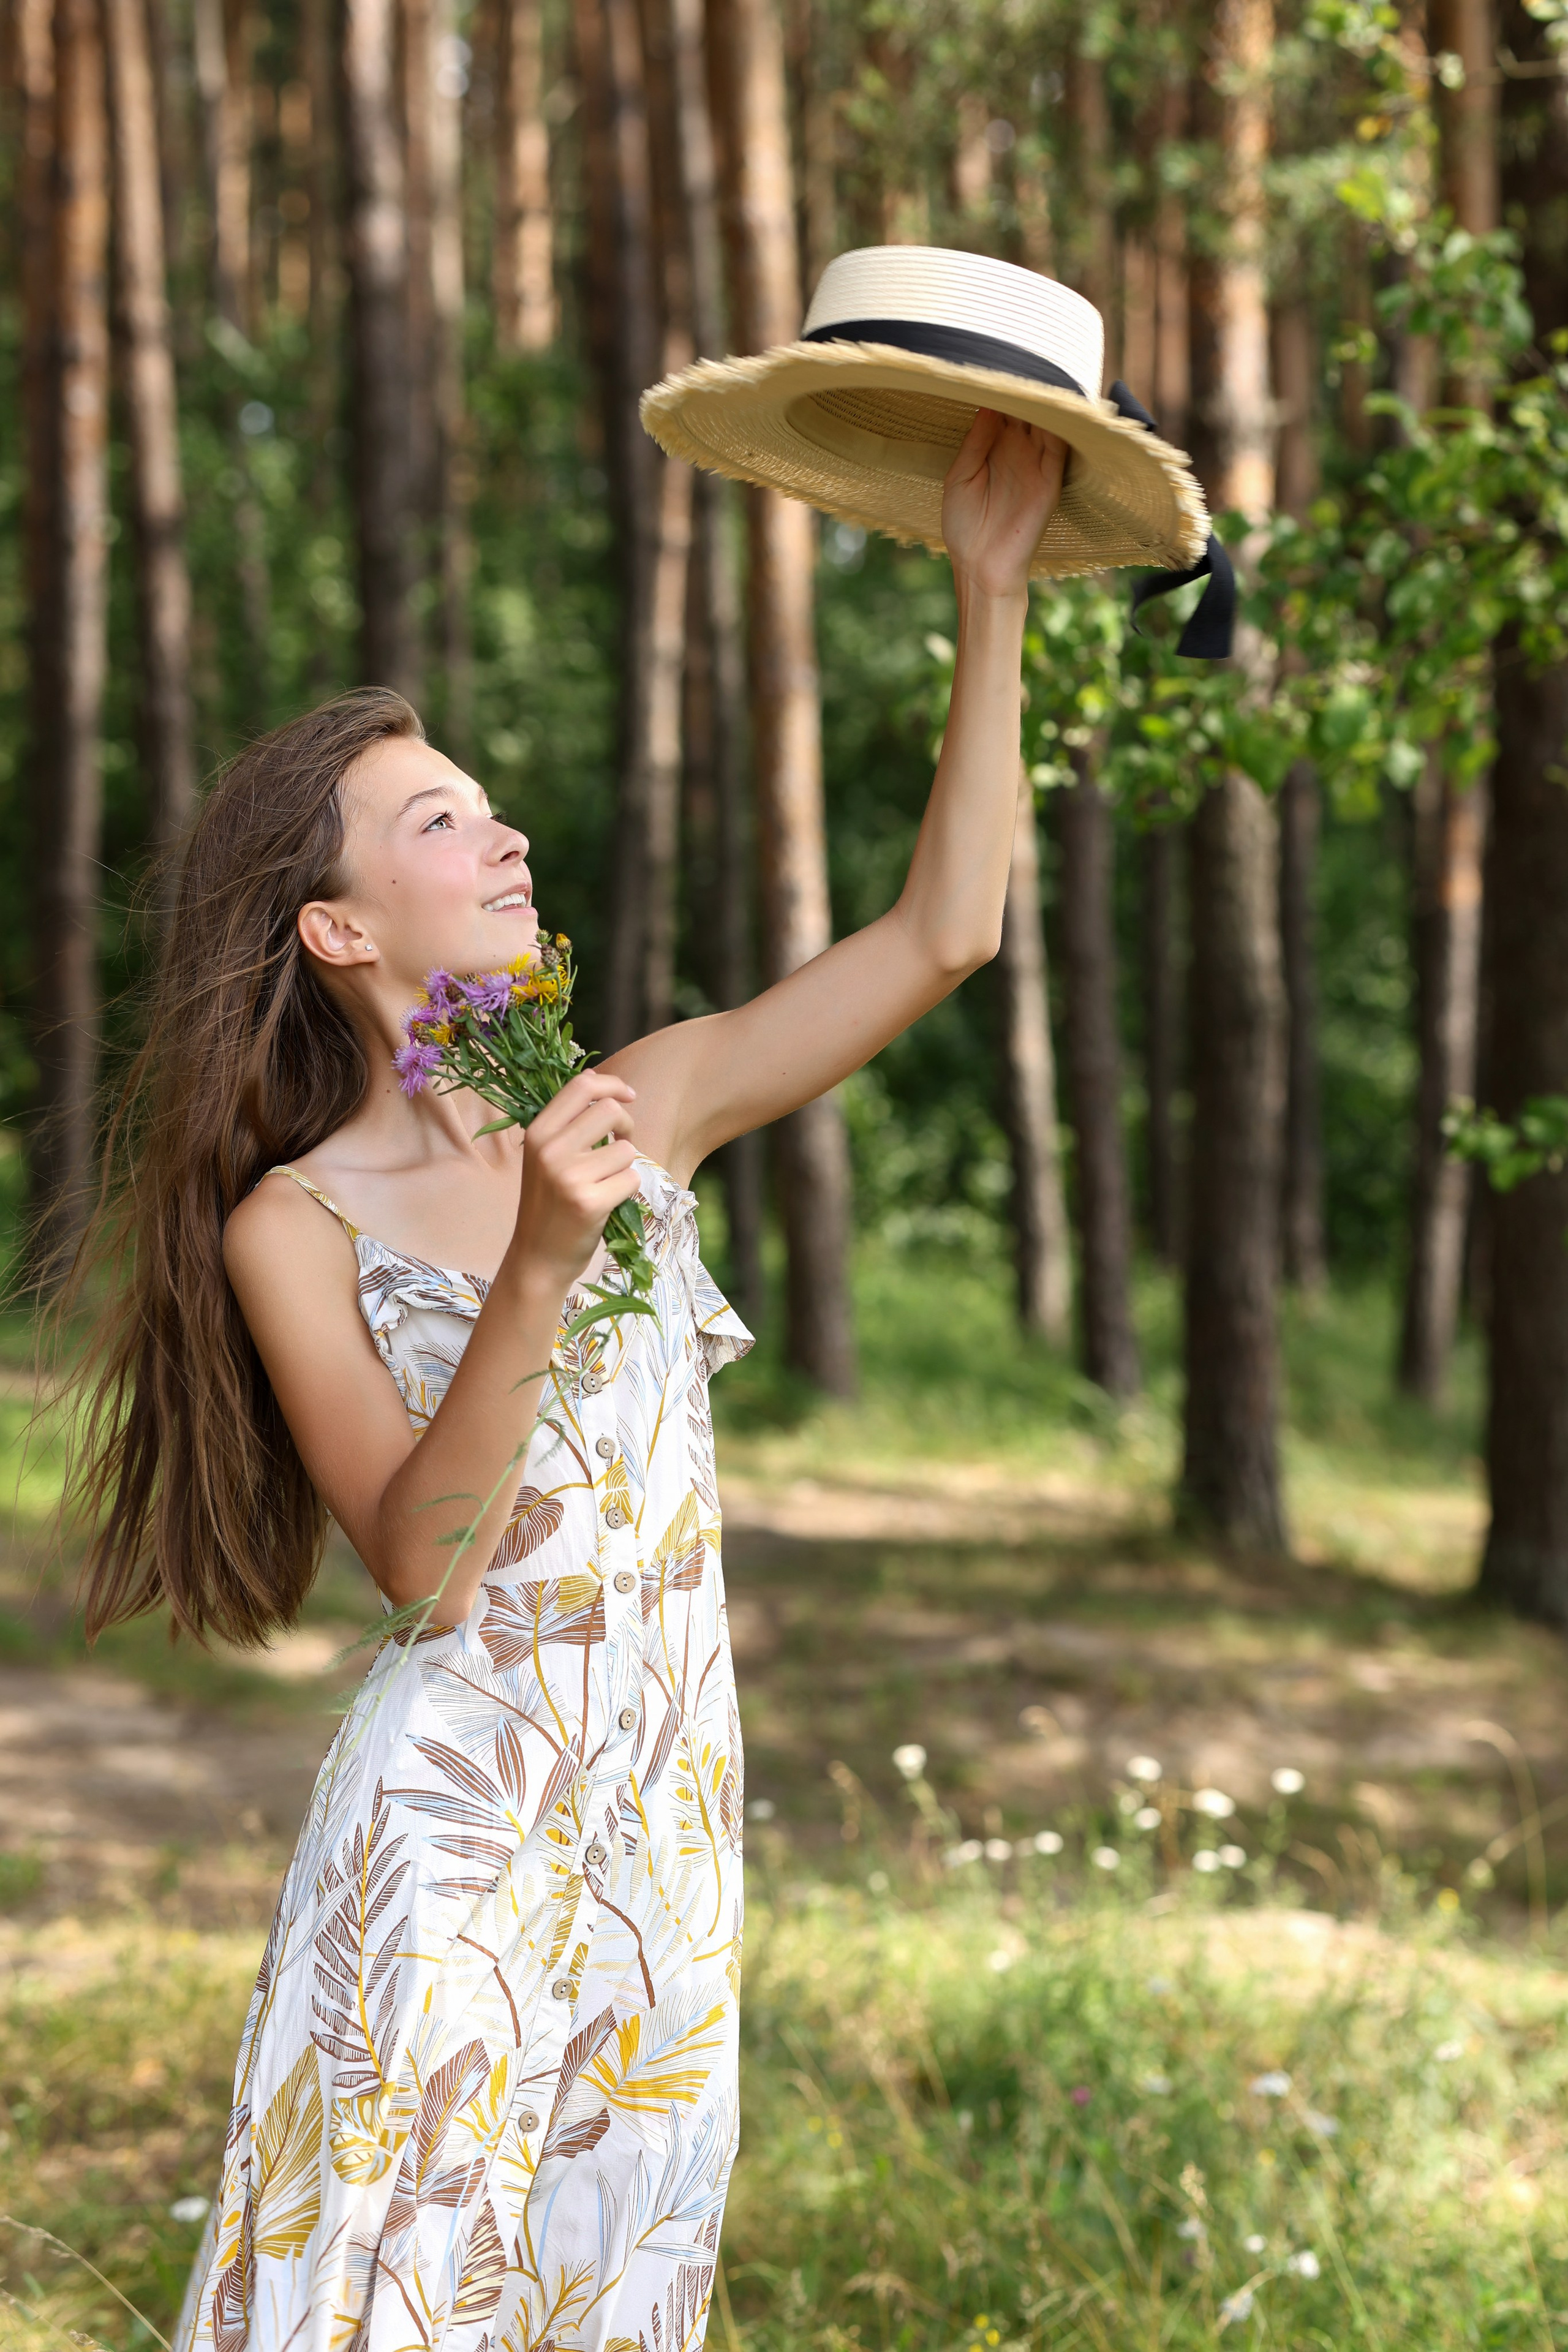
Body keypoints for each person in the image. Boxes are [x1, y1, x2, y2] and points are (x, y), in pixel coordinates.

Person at [69, 409, 1063, 2352]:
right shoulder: (300, 1222)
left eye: (492, 802)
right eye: (439, 819)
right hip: (449, 1845)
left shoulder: (638, 1105)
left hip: (662, 1840)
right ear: (338, 927)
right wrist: (537, 1261)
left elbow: (950, 933)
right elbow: (424, 1570)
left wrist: (994, 595)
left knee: (602, 2307)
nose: (503, 831)